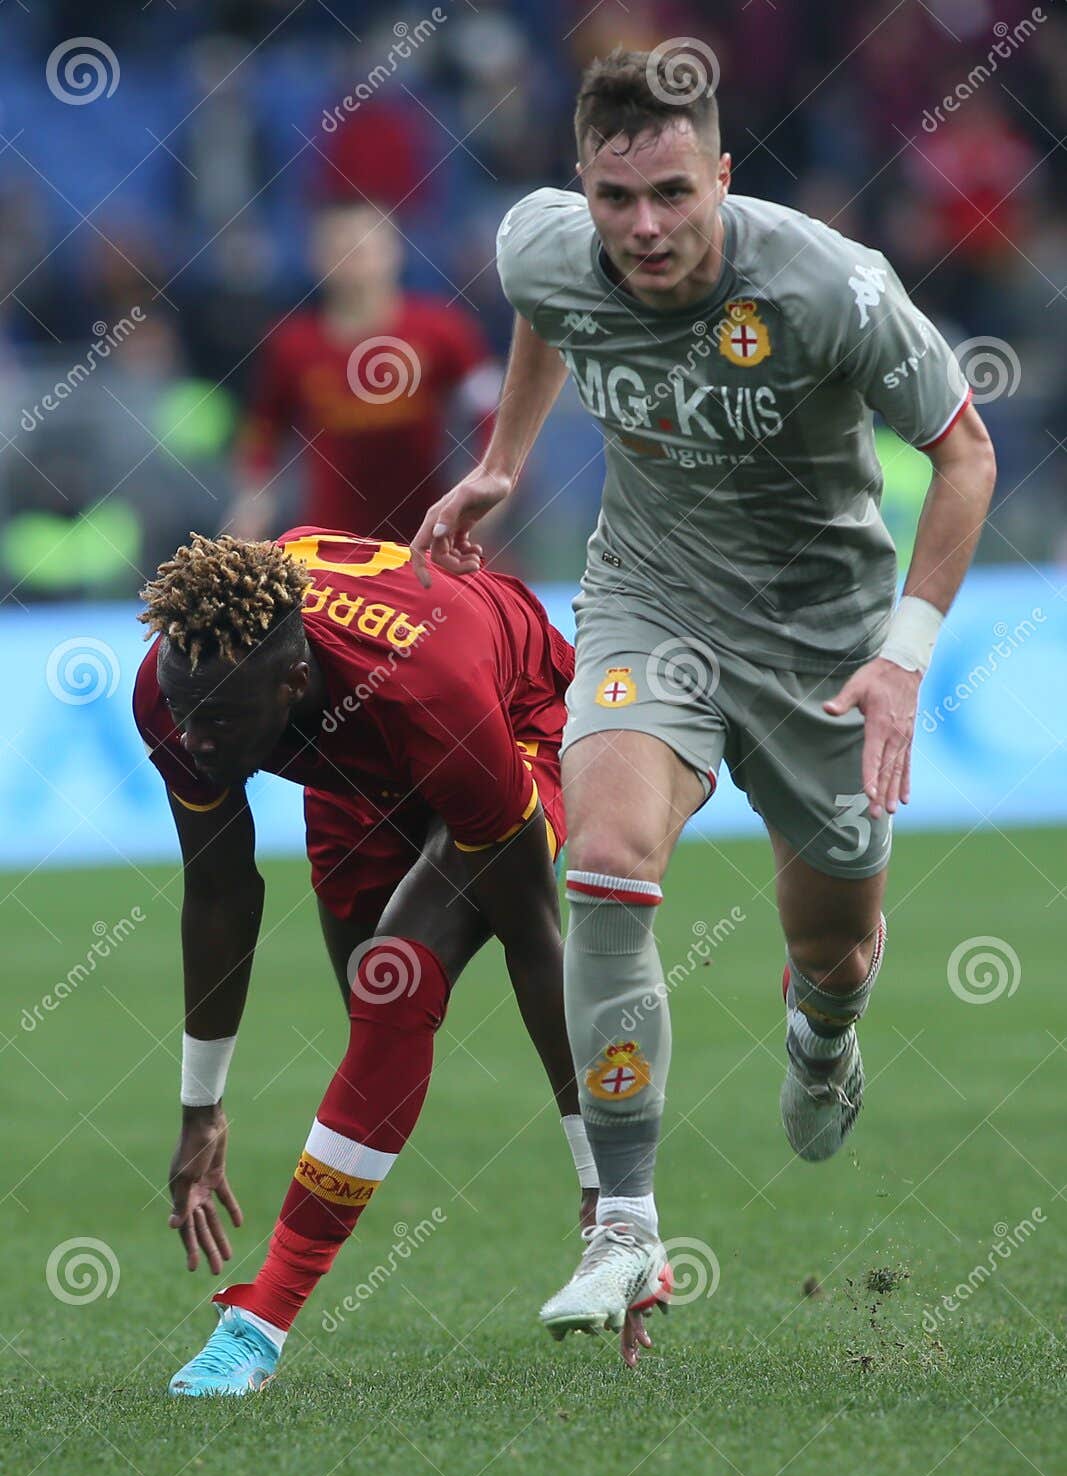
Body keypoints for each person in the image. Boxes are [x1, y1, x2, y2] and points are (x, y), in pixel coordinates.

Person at [412, 49, 997, 1353]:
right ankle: (622, 1224)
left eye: (672, 193)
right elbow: (543, 307)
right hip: (648, 598)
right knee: (608, 862)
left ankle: (821, 1032)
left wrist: (899, 655)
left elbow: (962, 451)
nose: (644, 229)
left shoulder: (828, 287)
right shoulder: (542, 247)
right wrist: (503, 462)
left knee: (834, 939)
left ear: (721, 175)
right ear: (581, 187)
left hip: (821, 638)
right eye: (615, 200)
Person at [133, 527, 659, 1393]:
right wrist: (202, 1110)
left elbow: (533, 931)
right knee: (371, 1013)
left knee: (393, 980)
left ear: (292, 682)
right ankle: (268, 1310)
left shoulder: (432, 693)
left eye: (217, 719)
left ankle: (257, 1322)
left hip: (511, 713)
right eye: (184, 712)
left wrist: (608, 1193)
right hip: (352, 766)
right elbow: (221, 893)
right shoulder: (178, 683)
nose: (192, 739)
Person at [229, 201, 498, 545]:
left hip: (430, 540)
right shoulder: (291, 344)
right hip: (329, 546)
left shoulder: (443, 330)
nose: (353, 261)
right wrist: (252, 504)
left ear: (394, 251)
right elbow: (264, 432)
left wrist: (487, 483)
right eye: (339, 247)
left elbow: (491, 413)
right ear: (317, 257)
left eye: (364, 247)